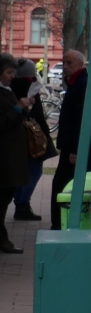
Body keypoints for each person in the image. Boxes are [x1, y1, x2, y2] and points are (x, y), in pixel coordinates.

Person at [10, 58, 57, 221]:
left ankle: (19, 203)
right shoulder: (30, 88)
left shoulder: (10, 87)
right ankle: (23, 204)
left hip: (17, 137)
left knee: (22, 170)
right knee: (35, 169)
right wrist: (46, 136)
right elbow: (37, 115)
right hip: (32, 137)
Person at [49, 49, 90, 231]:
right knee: (63, 183)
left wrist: (75, 149)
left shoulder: (82, 84)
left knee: (63, 184)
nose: (65, 67)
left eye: (69, 63)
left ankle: (60, 224)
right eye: (64, 63)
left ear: (80, 65)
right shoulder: (76, 82)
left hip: (75, 148)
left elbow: (81, 119)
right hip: (71, 146)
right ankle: (60, 222)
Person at [0, 53, 32, 253]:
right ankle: (3, 240)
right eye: (9, 72)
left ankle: (3, 239)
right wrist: (18, 108)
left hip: (11, 156)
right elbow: (3, 122)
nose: (12, 76)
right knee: (2, 198)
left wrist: (24, 109)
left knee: (5, 197)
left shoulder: (6, 90)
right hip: (4, 157)